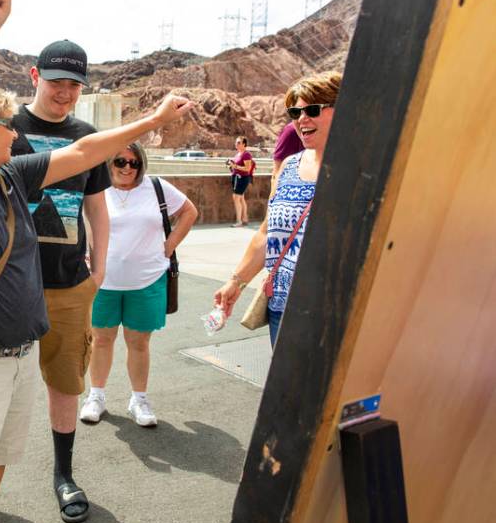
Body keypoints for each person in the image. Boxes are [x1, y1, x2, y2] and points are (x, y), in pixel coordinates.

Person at [0, 0, 193, 523]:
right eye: (4, 128)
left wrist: (152, 120)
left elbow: (86, 153)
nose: (17, 134)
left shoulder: (11, 175)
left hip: (17, 354)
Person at [9, 39, 109, 523]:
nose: (65, 93)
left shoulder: (87, 135)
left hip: (69, 283)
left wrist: (101, 267)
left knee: (66, 381)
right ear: (33, 75)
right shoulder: (4, 129)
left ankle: (63, 473)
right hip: (8, 284)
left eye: (74, 85)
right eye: (56, 82)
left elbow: (97, 206)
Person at [213, 72, 341, 346]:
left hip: (335, 315)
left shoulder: (362, 171)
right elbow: (266, 235)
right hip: (282, 310)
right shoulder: (289, 167)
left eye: (313, 109)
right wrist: (236, 282)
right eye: (295, 111)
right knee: (289, 390)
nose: (301, 119)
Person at [79, 143, 198, 427]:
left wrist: (168, 246)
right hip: (103, 281)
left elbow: (189, 212)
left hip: (147, 281)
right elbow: (80, 222)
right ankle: (96, 396)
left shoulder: (156, 187)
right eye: (120, 160)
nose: (127, 168)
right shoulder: (96, 190)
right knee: (101, 339)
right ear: (109, 162)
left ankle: (139, 399)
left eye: (133, 163)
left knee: (139, 343)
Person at [227, 136, 253, 226]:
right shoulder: (237, 154)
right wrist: (231, 165)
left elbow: (248, 168)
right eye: (236, 142)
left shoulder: (246, 154)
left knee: (236, 198)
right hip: (236, 178)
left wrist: (236, 167)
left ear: (244, 144)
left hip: (242, 179)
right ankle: (244, 218)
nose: (236, 144)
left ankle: (239, 221)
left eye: (238, 143)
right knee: (241, 198)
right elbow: (235, 166)